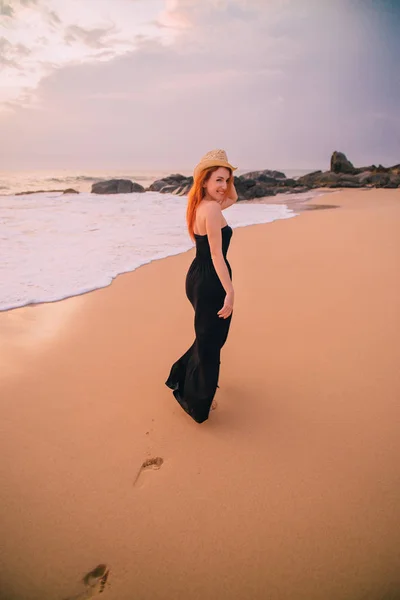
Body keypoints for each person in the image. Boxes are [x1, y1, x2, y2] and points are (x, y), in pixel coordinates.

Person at [165, 149, 238, 423]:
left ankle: (183, 375)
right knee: (211, 341)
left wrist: (227, 177)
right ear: (204, 181)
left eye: (226, 180)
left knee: (208, 336)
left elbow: (233, 197)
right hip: (211, 280)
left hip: (198, 275)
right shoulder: (210, 209)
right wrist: (230, 292)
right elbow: (217, 255)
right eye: (218, 180)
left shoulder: (202, 204)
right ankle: (197, 400)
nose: (223, 187)